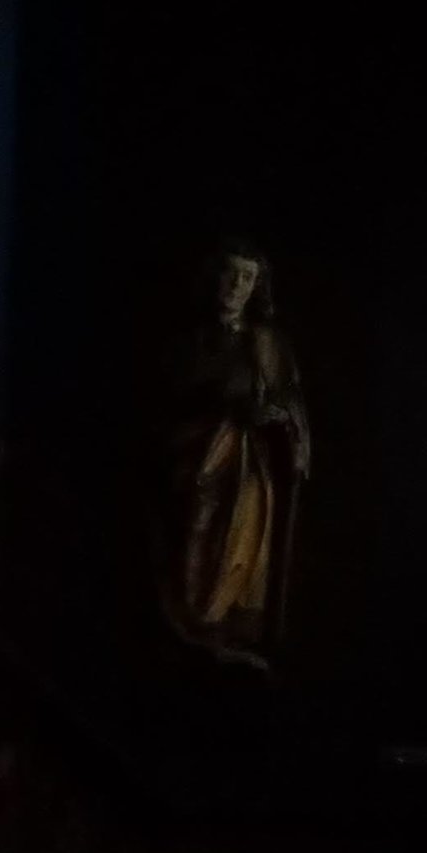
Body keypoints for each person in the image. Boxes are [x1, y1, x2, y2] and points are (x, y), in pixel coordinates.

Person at [161, 243, 309, 668]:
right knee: (194, 535)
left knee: (240, 539)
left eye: (247, 278)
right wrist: (218, 407)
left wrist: (277, 418)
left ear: (257, 287)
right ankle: (189, 627)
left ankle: (229, 630)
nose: (236, 286)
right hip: (195, 464)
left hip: (247, 466)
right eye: (230, 275)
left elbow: (290, 404)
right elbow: (172, 401)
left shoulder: (268, 344)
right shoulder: (191, 340)